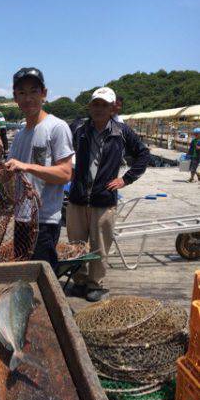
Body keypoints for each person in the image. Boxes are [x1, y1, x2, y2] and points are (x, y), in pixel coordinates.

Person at [67, 87, 150, 302]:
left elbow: (143, 155)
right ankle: (79, 280)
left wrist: (126, 179)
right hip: (77, 198)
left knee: (100, 246)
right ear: (89, 106)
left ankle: (96, 283)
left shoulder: (122, 131)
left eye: (104, 105)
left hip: (103, 199)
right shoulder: (78, 128)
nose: (99, 108)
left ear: (113, 107)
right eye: (95, 103)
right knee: (75, 244)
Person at [0, 67, 74, 270]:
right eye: (22, 93)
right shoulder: (19, 135)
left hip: (45, 221)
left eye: (34, 91)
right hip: (21, 219)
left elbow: (65, 174)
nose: (28, 98)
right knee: (23, 277)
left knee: (42, 281)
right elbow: (6, 178)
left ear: (44, 93)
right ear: (15, 97)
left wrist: (26, 166)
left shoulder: (57, 127)